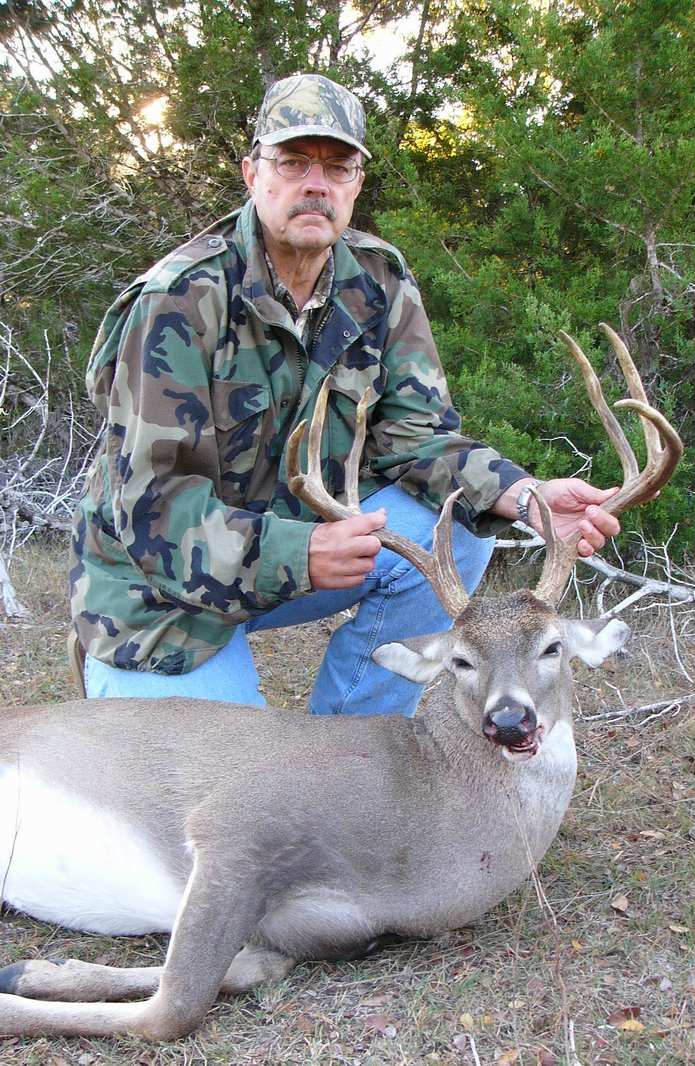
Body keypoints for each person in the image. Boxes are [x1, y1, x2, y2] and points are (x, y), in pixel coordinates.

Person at [70, 73, 620, 716]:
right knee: (237, 802)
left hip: (300, 559)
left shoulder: (379, 281)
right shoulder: (180, 298)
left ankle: (353, 740)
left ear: (356, 183)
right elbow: (152, 509)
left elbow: (418, 437)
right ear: (253, 174)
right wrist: (299, 552)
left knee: (460, 529)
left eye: (338, 166)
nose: (315, 183)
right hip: (161, 597)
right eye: (294, 161)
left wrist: (521, 495)